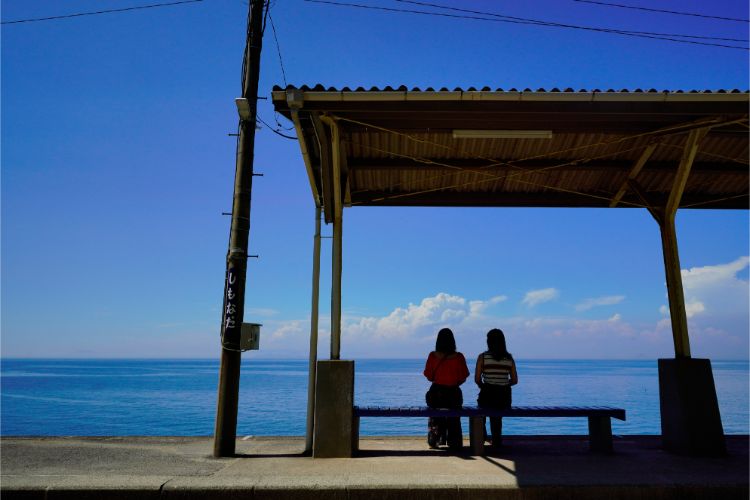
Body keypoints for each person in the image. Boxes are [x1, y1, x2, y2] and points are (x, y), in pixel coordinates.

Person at [423, 327, 470, 451]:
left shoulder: (432, 356)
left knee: (435, 415)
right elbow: (463, 378)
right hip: (454, 395)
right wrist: (452, 382)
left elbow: (428, 376)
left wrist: (440, 380)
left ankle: (434, 439)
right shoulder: (459, 357)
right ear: (452, 341)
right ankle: (454, 441)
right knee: (454, 417)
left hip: (436, 395)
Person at [475, 328, 518, 449]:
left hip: (487, 395)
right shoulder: (509, 359)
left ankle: (482, 437)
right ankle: (497, 440)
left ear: (488, 342)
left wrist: (484, 385)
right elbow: (514, 380)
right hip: (503, 398)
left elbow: (477, 379)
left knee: (481, 412)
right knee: (497, 417)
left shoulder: (482, 357)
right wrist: (504, 384)